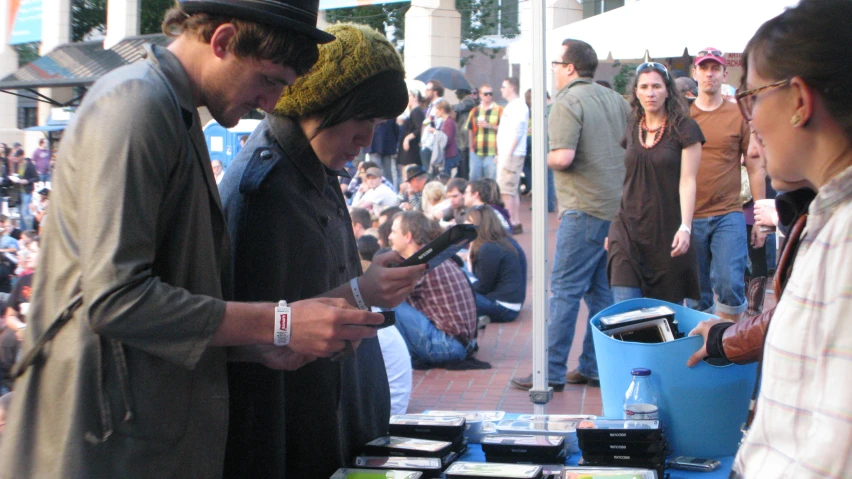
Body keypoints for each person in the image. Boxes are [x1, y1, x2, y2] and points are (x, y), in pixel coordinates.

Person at [0, 3, 390, 477]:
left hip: (134, 436)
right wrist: (278, 324)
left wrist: (253, 346)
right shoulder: (135, 107)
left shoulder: (170, 109)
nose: (271, 103)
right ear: (222, 41)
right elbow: (115, 300)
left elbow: (167, 299)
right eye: (268, 80)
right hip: (99, 446)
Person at [219, 23, 424, 479]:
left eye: (376, 125)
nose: (367, 140)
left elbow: (314, 284)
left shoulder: (310, 164)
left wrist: (370, 284)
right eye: (361, 120)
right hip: (297, 435)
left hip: (337, 415)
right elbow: (260, 337)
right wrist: (361, 290)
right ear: (322, 104)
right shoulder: (264, 190)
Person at [689, 2, 852, 477]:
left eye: (753, 97)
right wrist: (727, 337)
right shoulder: (825, 215)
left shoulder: (844, 231)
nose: (751, 119)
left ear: (799, 100)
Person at [511, 39, 630, 392]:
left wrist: (536, 157)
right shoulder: (617, 99)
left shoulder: (567, 100)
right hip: (615, 210)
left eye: (555, 64)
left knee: (563, 293)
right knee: (601, 297)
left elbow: (562, 157)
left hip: (584, 208)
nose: (553, 70)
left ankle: (549, 372)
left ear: (570, 68)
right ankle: (592, 367)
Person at [607, 61, 704, 305]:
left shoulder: (685, 129)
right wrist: (613, 225)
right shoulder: (632, 127)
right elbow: (628, 179)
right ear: (636, 92)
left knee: (661, 318)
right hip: (627, 229)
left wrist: (686, 227)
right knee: (625, 312)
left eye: (657, 86)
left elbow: (688, 181)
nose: (650, 93)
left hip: (666, 232)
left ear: (668, 90)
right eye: (644, 87)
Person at [687, 48, 765, 321]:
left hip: (728, 213)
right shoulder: (683, 116)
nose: (709, 74)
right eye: (704, 68)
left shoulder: (738, 115)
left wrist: (759, 217)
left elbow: (755, 166)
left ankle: (731, 348)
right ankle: (700, 347)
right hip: (690, 214)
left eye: (715, 69)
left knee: (731, 284)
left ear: (724, 74)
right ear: (694, 73)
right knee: (696, 292)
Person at [388, 211, 477, 366]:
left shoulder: (421, 262)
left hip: (449, 346)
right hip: (463, 343)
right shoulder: (433, 254)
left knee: (386, 302)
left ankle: (395, 359)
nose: (389, 237)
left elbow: (386, 293)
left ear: (408, 236)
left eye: (393, 232)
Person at [466, 205, 526, 323]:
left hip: (504, 308)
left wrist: (469, 258)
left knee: (457, 295)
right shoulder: (501, 241)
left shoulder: (488, 248)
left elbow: (483, 287)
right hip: (508, 303)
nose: (466, 225)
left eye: (469, 222)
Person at [496, 77, 529, 234]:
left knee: (506, 190)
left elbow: (519, 129)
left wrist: (508, 153)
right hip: (508, 153)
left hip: (512, 154)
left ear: (511, 88)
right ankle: (514, 222)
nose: (501, 89)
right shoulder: (512, 106)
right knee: (511, 190)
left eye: (503, 86)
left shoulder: (519, 106)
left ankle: (509, 223)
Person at [467, 83, 502, 181]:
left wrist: (489, 125)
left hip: (492, 152)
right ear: (480, 95)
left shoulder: (499, 110)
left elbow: (504, 129)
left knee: (491, 180)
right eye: (486, 94)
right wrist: (470, 148)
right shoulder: (474, 111)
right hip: (476, 151)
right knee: (474, 179)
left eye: (491, 94)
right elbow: (470, 129)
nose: (489, 96)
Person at [5, 148, 39, 230]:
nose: (16, 158)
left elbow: (37, 178)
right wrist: (14, 177)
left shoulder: (29, 165)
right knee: (20, 213)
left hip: (26, 192)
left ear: (22, 156)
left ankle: (29, 231)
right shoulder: (16, 165)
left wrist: (27, 181)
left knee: (25, 213)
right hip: (18, 192)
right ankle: (22, 231)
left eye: (17, 157)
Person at [398, 88, 426, 180]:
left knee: (408, 172)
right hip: (410, 149)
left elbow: (420, 128)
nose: (407, 98)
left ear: (415, 97)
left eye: (409, 96)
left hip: (412, 149)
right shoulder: (414, 112)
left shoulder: (416, 111)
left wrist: (408, 138)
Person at [428, 100, 459, 176]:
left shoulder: (449, 122)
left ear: (441, 110)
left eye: (437, 110)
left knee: (445, 177)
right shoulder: (444, 122)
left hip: (448, 155)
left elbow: (446, 140)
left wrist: (435, 132)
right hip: (446, 155)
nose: (435, 112)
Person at [367, 118, 401, 189]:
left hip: (375, 144)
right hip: (387, 143)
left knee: (376, 170)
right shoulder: (391, 114)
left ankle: (379, 189)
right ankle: (390, 189)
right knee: (386, 171)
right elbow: (396, 129)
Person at [452, 88, 478, 179]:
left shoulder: (468, 100)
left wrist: (448, 107)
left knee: (464, 169)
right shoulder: (463, 101)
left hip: (465, 141)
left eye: (458, 91)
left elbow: (461, 107)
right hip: (461, 140)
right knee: (461, 168)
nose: (456, 93)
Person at [420, 80, 446, 172]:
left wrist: (429, 143)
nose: (426, 92)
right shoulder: (431, 106)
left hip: (432, 146)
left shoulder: (439, 106)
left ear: (435, 91)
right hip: (426, 144)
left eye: (428, 89)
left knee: (432, 174)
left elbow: (439, 125)